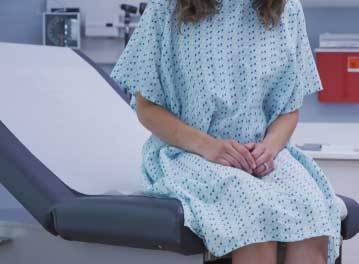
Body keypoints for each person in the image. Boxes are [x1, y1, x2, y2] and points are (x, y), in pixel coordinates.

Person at [110, 0, 341, 263]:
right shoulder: (166, 8)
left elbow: (289, 108)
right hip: (188, 154)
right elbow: (147, 108)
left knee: (313, 215)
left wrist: (271, 147)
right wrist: (210, 147)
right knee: (255, 219)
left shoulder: (287, 9)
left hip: (262, 155)